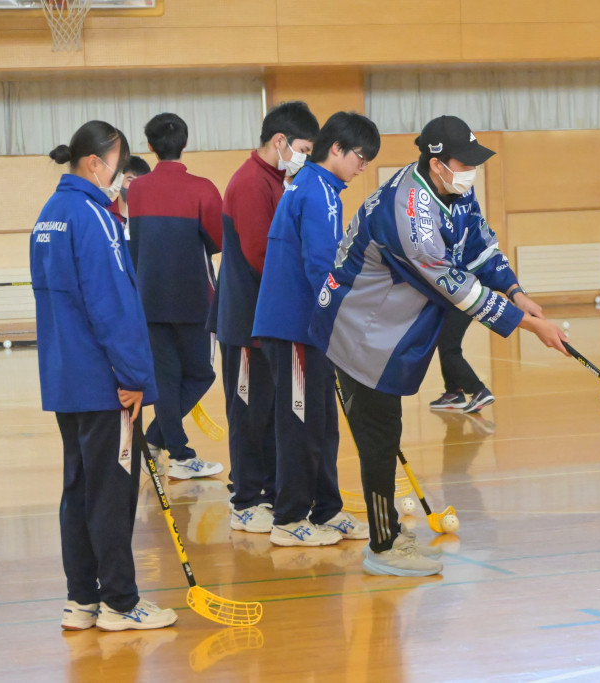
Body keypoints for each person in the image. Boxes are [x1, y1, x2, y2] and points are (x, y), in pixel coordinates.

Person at [309, 115, 567, 577]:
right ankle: (382, 548)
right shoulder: (411, 214)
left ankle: (390, 535)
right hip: (359, 334)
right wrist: (529, 326)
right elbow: (456, 286)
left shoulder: (452, 190)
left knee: (385, 435)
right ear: (436, 163)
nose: (471, 171)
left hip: (387, 331)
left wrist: (516, 291)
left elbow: (481, 247)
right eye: (463, 163)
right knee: (379, 442)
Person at [32, 120, 176, 631]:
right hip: (104, 382)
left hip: (66, 378)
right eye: (118, 164)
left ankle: (82, 599)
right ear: (95, 163)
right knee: (112, 494)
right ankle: (120, 602)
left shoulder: (49, 214)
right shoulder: (94, 217)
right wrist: (134, 375)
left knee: (78, 490)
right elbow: (112, 304)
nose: (122, 176)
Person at [252, 111, 380, 547]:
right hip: (295, 328)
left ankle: (327, 508)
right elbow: (321, 266)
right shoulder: (317, 191)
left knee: (323, 424)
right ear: (337, 149)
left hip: (312, 330)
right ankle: (289, 518)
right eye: (360, 157)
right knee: (300, 425)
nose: (362, 167)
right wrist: (345, 319)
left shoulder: (319, 187)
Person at [213, 101, 320, 533]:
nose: (305, 159)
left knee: (271, 413)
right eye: (304, 150)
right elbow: (262, 256)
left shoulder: (279, 180)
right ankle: (245, 499)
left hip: (270, 323)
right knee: (247, 413)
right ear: (280, 141)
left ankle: (272, 491)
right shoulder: (250, 184)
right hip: (245, 324)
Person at [127, 113, 224, 480]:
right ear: (185, 143)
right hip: (194, 300)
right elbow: (218, 240)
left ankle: (156, 440)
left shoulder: (137, 190)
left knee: (166, 380)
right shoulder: (203, 188)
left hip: (148, 300)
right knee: (202, 374)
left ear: (150, 146)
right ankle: (179, 454)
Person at [109, 155, 151, 236]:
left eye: (141, 182)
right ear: (119, 180)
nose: (135, 186)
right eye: (130, 180)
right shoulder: (106, 214)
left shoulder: (151, 218)